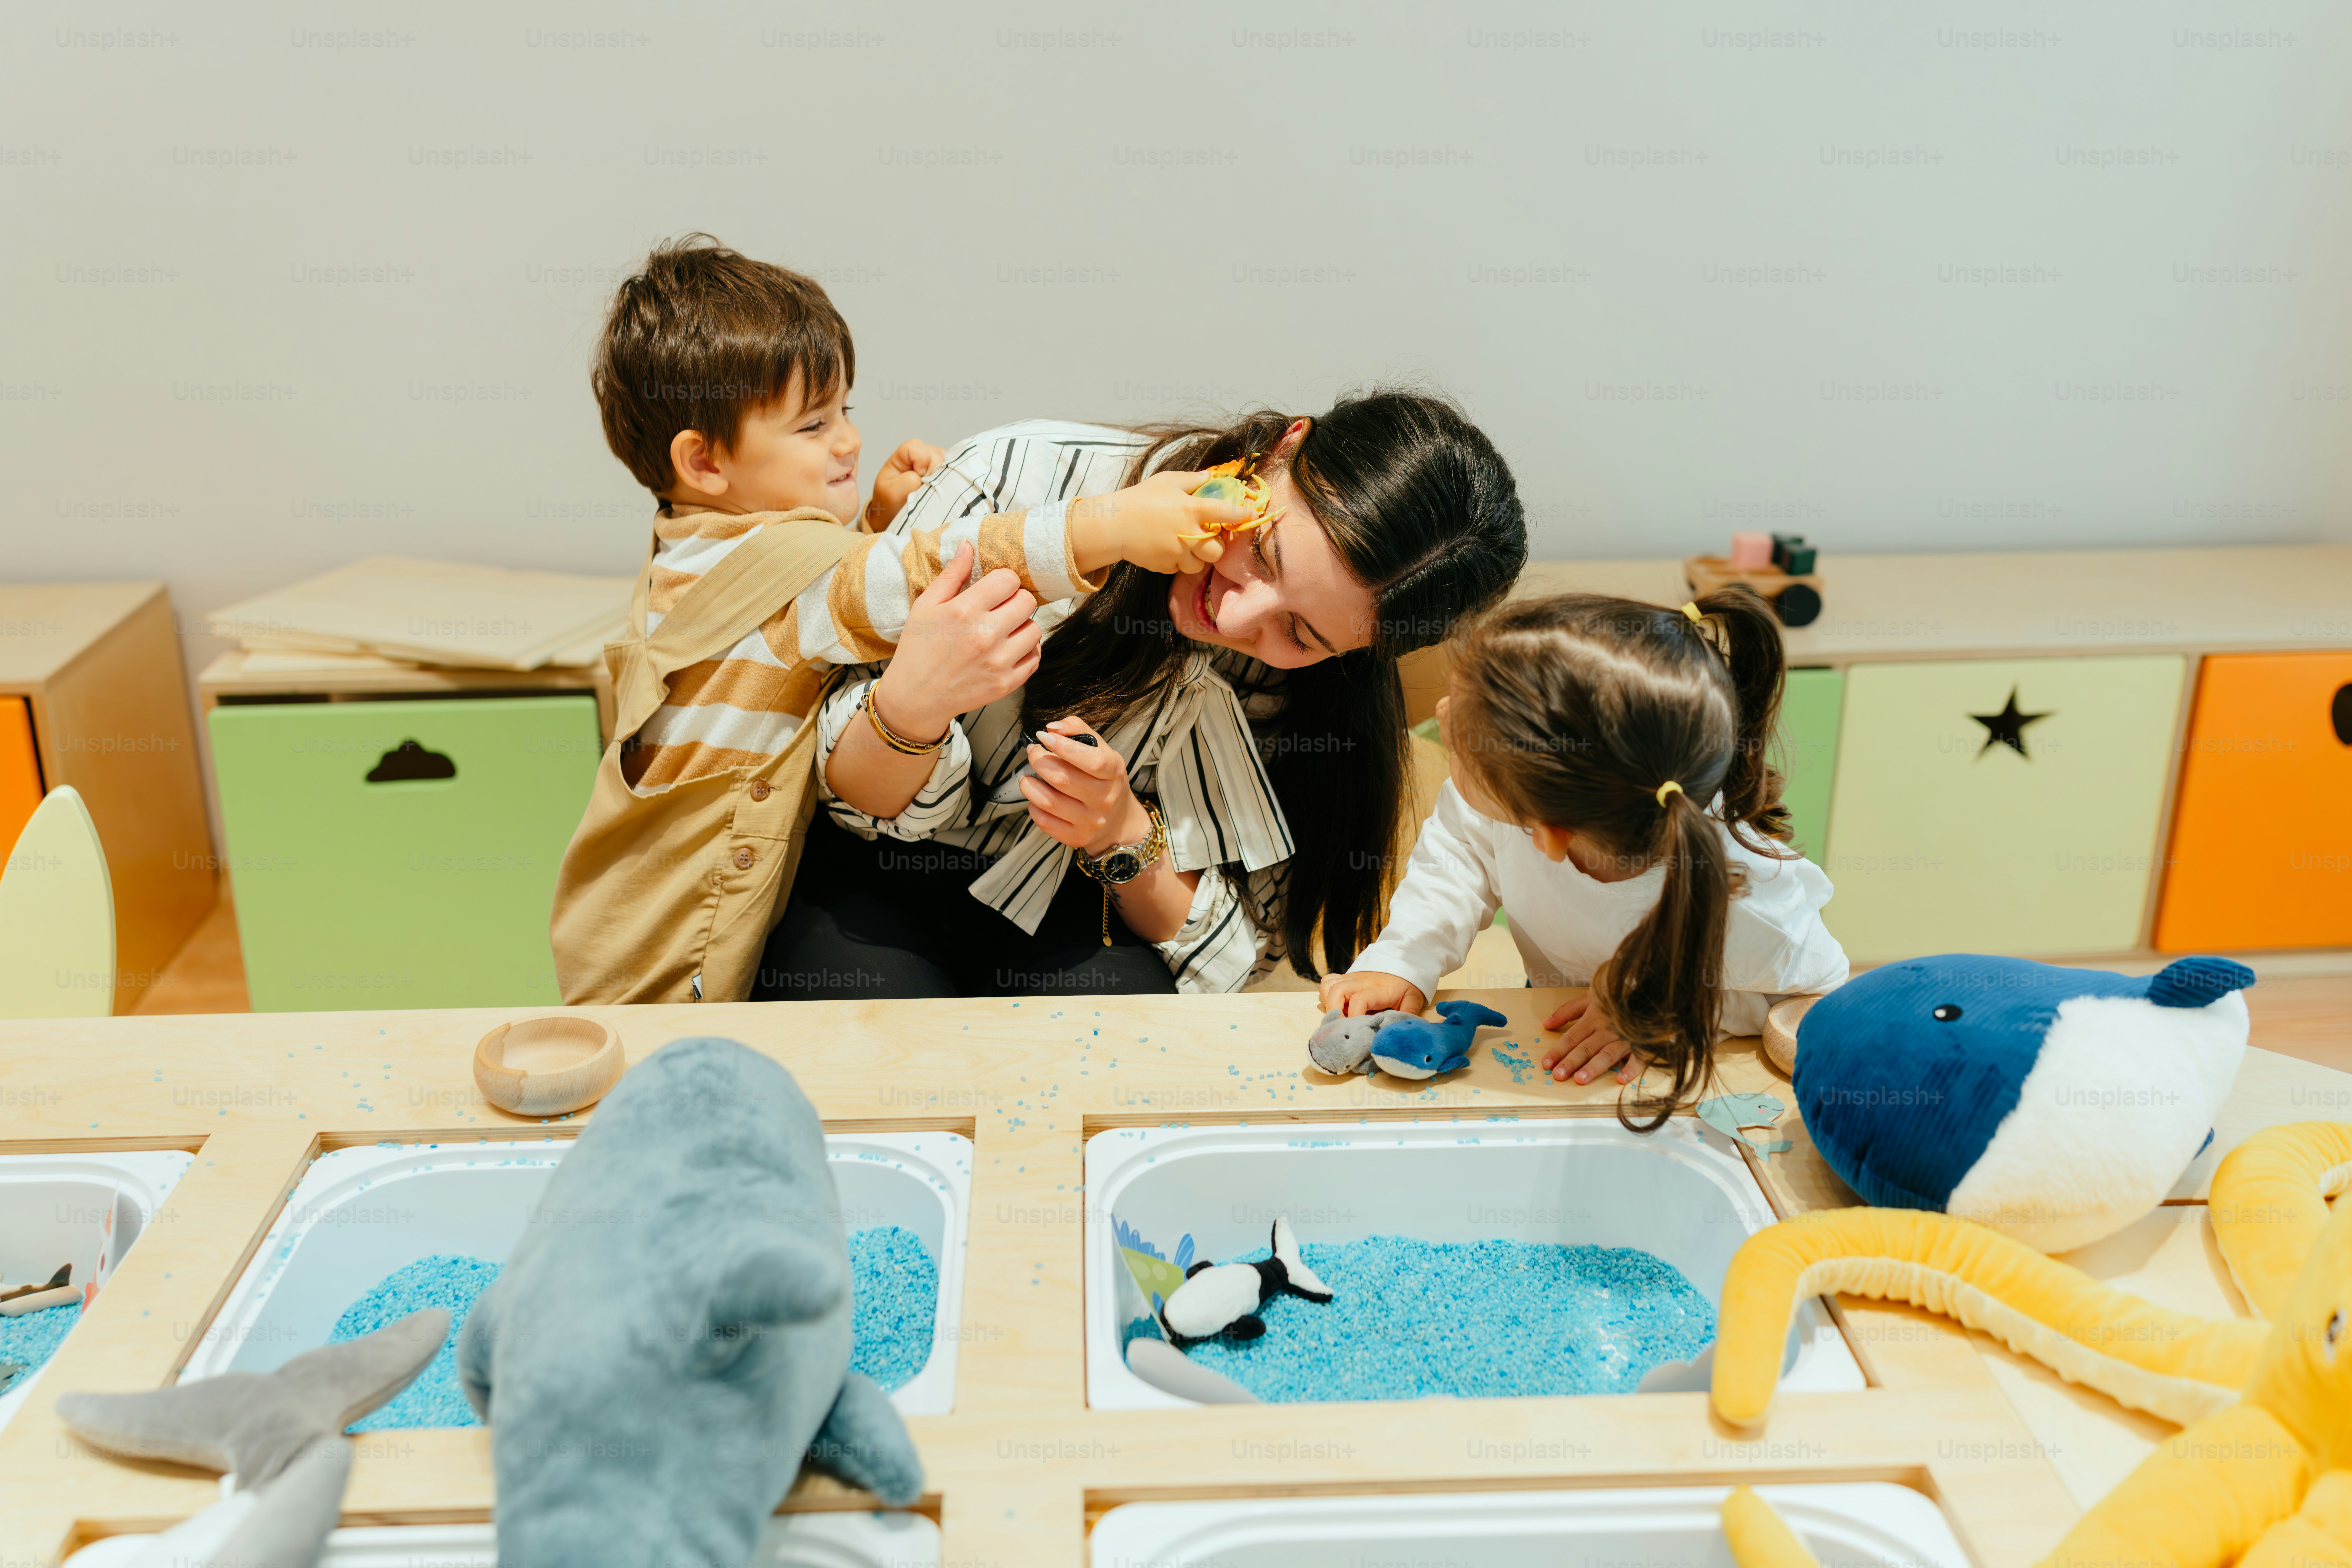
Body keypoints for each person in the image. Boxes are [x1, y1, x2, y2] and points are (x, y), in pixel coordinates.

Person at [549, 236, 1245, 1002]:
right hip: (680, 942)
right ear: (706, 463)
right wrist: (1108, 525)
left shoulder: (691, 542)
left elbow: (800, 614)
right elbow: (927, 573)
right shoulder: (787, 572)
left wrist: (873, 519)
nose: (848, 439)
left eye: (844, 410)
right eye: (812, 427)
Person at [751, 391, 1528, 1000]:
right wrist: (914, 707)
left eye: (1302, 635)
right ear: (1285, 445)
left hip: (1079, 910)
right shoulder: (1018, 475)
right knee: (863, 1038)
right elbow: (841, 793)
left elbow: (1242, 953)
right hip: (871, 868)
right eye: (1263, 551)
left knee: (1117, 1049)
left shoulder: (1323, 699)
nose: (1239, 613)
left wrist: (1124, 838)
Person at [1320, 590, 1850, 1126]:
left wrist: (1655, 1011)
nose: (1440, 714)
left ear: (1547, 836)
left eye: (1461, 738)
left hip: (1654, 1078)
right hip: (1553, 1024)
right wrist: (1404, 960)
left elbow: (1820, 1000)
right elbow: (1456, 859)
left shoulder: (1752, 907)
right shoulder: (1519, 800)